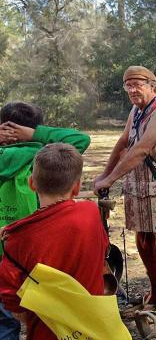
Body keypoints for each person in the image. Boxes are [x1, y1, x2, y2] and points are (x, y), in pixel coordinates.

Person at [94, 66, 156, 315]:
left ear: (152, 85)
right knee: (144, 244)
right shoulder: (137, 110)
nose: (133, 89)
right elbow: (124, 142)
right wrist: (104, 174)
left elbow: (142, 149)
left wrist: (110, 179)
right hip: (139, 189)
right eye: (128, 85)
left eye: (138, 84)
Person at [0, 102, 91, 340]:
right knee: (38, 316)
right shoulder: (42, 157)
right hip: (33, 255)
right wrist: (36, 134)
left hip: (4, 253)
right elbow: (81, 139)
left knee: (4, 320)